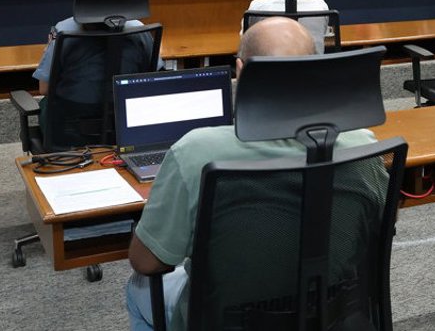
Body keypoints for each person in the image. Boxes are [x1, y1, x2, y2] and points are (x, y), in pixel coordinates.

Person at [125, 17, 379, 331]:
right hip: (331, 314)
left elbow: (147, 262)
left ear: (240, 70)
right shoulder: (364, 146)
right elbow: (376, 225)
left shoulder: (195, 152)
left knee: (137, 288)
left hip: (226, 322)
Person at [31, 0, 159, 142]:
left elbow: (45, 88)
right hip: (127, 127)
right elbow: (153, 80)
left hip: (70, 133)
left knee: (46, 104)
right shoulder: (139, 29)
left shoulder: (64, 30)